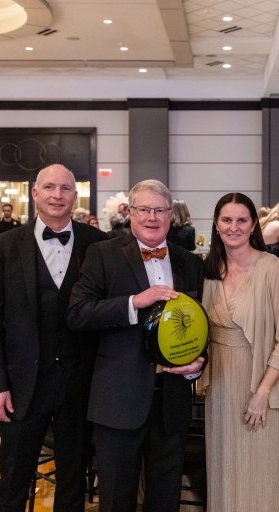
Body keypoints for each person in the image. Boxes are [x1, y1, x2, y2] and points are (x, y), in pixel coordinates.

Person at [67, 179, 205, 512]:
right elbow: (77, 313)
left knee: (165, 498)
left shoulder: (191, 262)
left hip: (171, 399)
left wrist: (199, 362)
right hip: (118, 398)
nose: (153, 217)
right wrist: (134, 302)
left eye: (160, 210)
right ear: (130, 213)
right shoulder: (103, 254)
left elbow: (202, 323)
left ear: (171, 215)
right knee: (117, 498)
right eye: (145, 209)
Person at [0, 164, 108, 511]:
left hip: (80, 384)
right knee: (13, 478)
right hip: (21, 386)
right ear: (35, 194)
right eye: (49, 187)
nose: (57, 195)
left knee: (73, 479)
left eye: (65, 189)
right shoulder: (3, 246)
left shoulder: (98, 244)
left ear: (75, 195)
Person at [201, 192, 279, 510]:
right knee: (223, 468)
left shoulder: (273, 268)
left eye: (242, 220)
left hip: (260, 380)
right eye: (226, 220)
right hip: (219, 384)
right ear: (216, 225)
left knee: (258, 471)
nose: (234, 227)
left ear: (254, 224)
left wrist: (262, 393)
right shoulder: (209, 269)